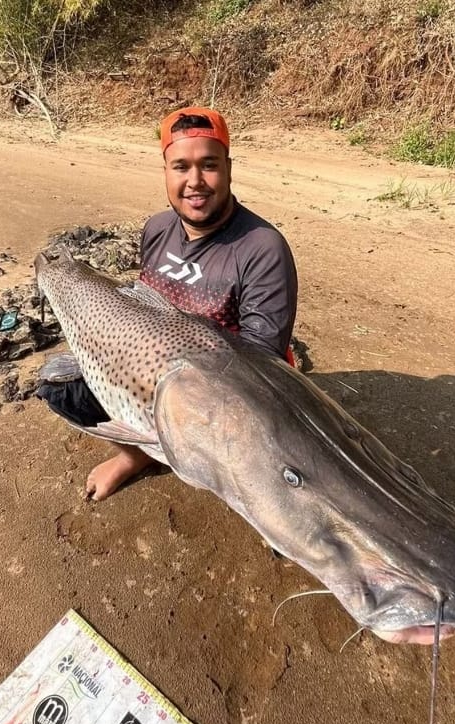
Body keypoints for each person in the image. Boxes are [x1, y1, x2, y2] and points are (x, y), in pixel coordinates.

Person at [37, 106, 299, 500]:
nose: (196, 181)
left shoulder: (263, 247)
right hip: (149, 376)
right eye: (181, 167)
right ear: (166, 171)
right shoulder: (157, 228)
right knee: (59, 389)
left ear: (228, 167)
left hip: (223, 391)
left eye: (208, 165)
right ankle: (137, 455)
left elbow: (259, 365)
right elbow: (144, 304)